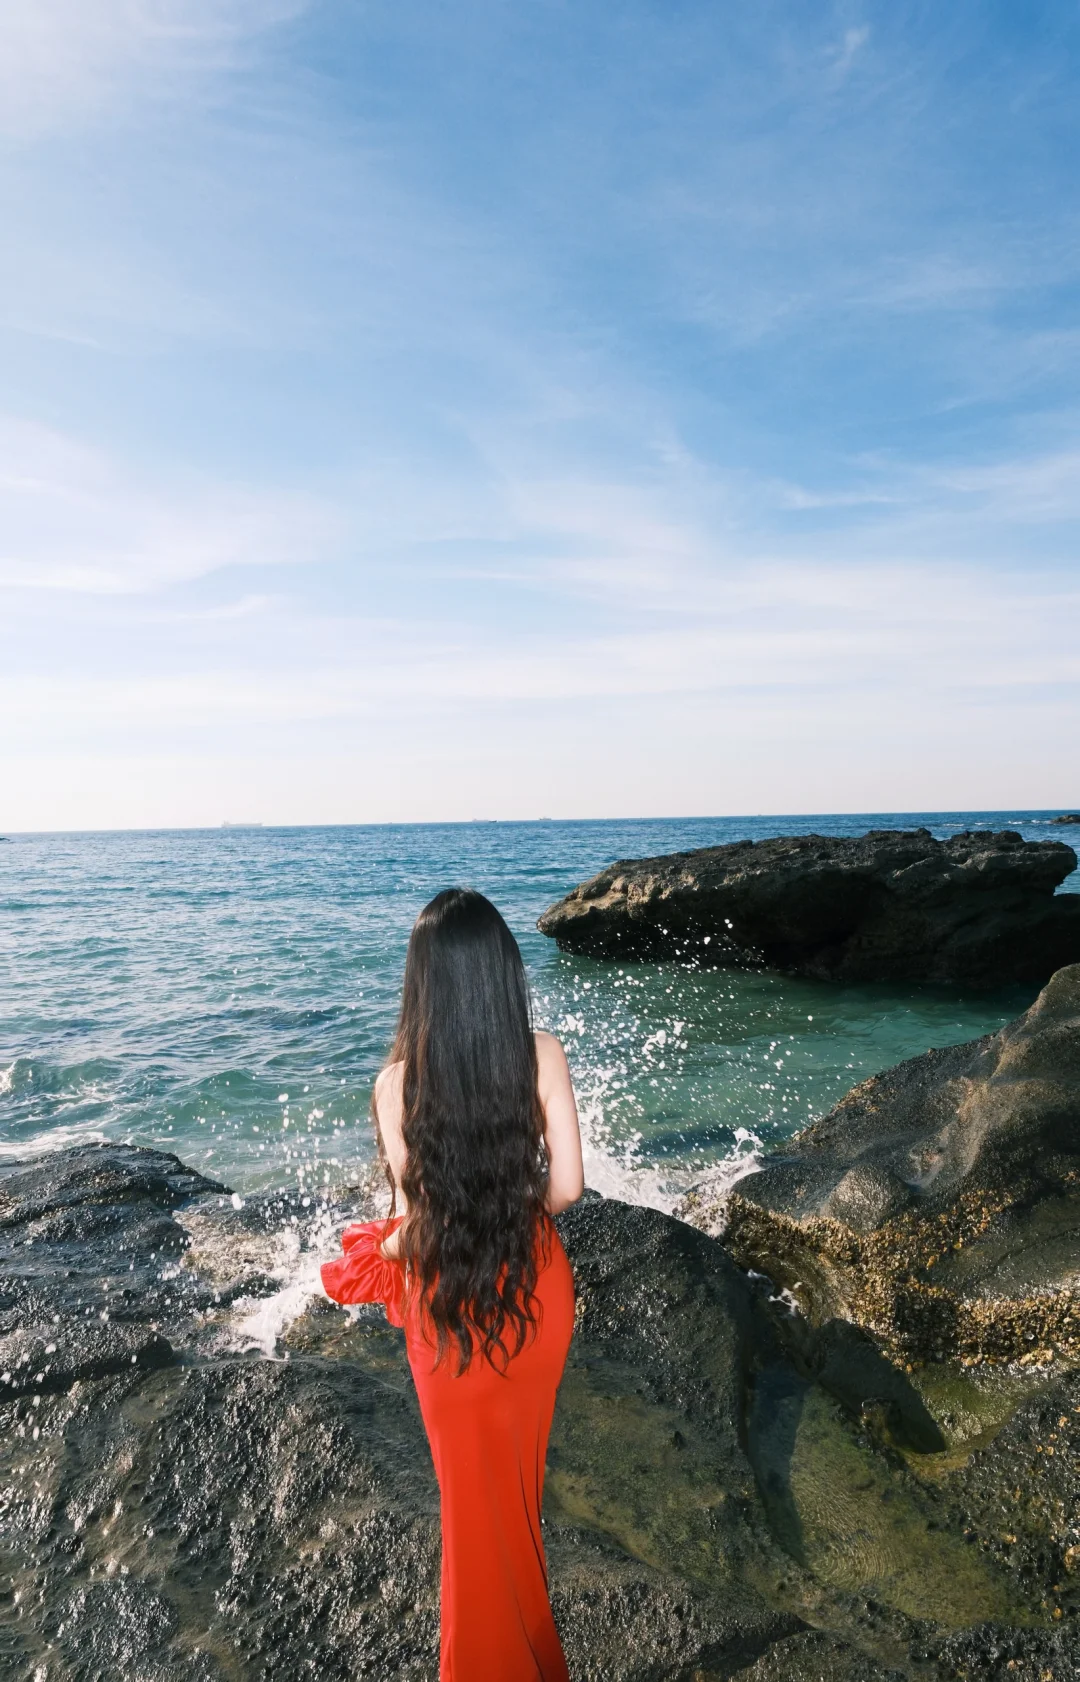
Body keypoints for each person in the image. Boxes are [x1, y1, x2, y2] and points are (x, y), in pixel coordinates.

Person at [321, 887, 585, 1682]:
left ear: (422, 982)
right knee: (517, 1503)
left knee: (473, 1518)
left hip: (449, 1312)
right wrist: (505, 1207)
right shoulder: (541, 1053)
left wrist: (371, 1250)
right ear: (503, 973)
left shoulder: (394, 1084)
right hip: (536, 1294)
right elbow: (566, 1188)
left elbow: (419, 1226)